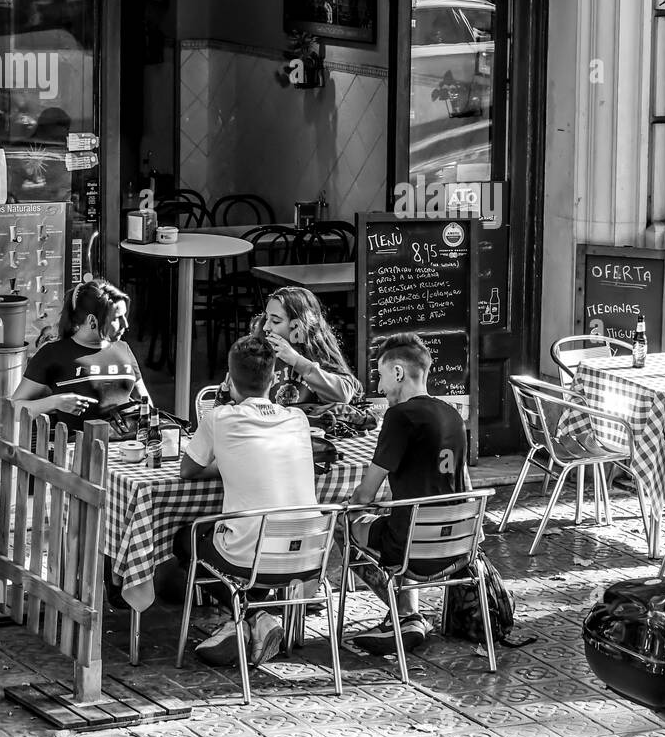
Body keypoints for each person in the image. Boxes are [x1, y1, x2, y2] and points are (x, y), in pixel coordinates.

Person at [178, 335, 316, 668]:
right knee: (251, 543)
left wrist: (228, 459)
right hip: (309, 555)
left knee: (186, 540)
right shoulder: (298, 419)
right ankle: (247, 621)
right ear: (273, 379)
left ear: (228, 377)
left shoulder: (220, 418)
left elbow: (188, 470)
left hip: (250, 557)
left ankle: (252, 617)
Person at [345, 332, 468, 656]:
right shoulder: (453, 415)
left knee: (345, 523)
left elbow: (365, 493)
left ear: (398, 372)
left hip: (411, 547)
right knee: (398, 519)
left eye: (382, 377)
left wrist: (348, 505)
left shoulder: (400, 418)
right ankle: (406, 616)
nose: (381, 388)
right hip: (457, 545)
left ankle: (404, 615)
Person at [12, 278, 148, 434]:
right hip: (75, 451)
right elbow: (14, 408)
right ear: (92, 320)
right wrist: (55, 402)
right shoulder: (53, 353)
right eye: (117, 318)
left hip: (126, 449)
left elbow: (145, 403)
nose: (126, 325)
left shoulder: (123, 348)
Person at [249, 286, 361, 408]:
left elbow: (343, 395)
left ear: (300, 325)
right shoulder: (259, 350)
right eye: (266, 318)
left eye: (275, 321)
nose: (266, 327)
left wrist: (298, 361)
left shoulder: (319, 354)